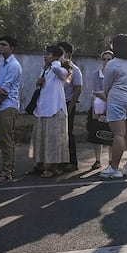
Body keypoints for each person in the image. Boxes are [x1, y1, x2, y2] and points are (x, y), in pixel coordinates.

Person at [99, 34, 127, 179]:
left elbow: (106, 84)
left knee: (119, 135)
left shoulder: (113, 63)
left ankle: (114, 168)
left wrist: (107, 95)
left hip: (117, 99)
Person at [28, 45, 71, 178]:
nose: (45, 56)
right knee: (40, 138)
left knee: (54, 140)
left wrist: (57, 61)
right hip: (42, 108)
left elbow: (62, 73)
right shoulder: (45, 69)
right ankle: (40, 165)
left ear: (54, 56)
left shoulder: (59, 68)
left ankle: (53, 168)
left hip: (55, 108)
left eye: (48, 54)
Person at [0, 36, 22, 182]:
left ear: (12, 48)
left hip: (8, 106)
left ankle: (7, 171)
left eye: (4, 45)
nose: (0, 47)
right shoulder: (2, 64)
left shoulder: (14, 65)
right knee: (3, 139)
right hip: (1, 105)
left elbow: (4, 91)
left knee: (7, 139)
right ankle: (5, 168)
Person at [57, 41, 82, 173]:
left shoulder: (74, 70)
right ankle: (60, 161)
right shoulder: (55, 68)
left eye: (60, 51)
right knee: (57, 134)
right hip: (56, 105)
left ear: (67, 54)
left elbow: (78, 90)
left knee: (68, 133)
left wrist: (70, 107)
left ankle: (72, 162)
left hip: (67, 104)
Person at [89, 50, 113, 169]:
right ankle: (97, 160)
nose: (106, 62)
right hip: (98, 109)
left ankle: (111, 161)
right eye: (104, 59)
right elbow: (96, 91)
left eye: (109, 59)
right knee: (97, 135)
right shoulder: (96, 74)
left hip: (113, 109)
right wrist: (109, 100)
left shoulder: (115, 74)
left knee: (111, 135)